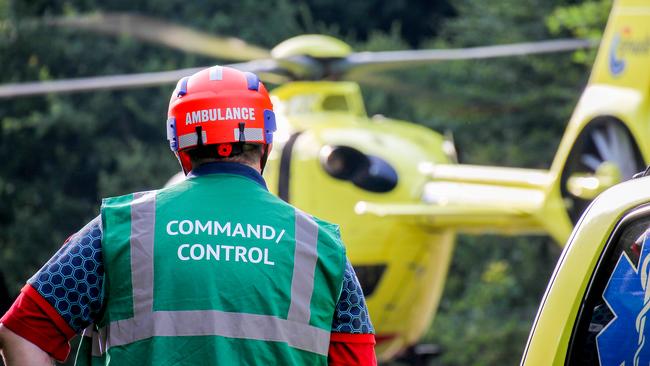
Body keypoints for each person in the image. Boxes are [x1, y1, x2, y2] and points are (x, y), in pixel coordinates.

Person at [0, 66, 377, 365]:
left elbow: (22, 330)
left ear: (178, 142)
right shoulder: (324, 250)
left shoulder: (120, 230)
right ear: (265, 139)